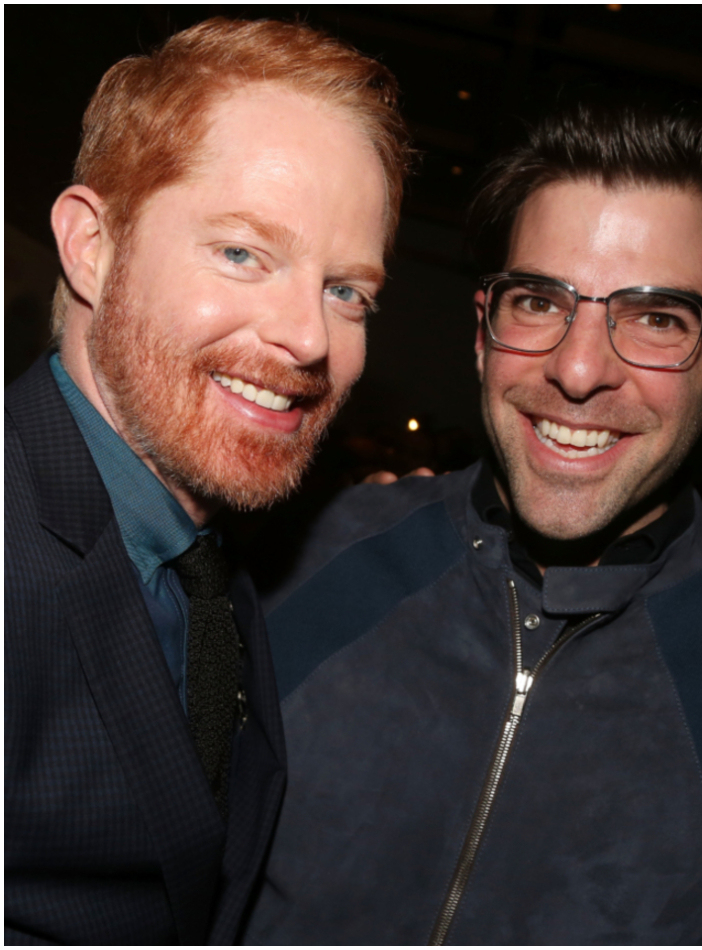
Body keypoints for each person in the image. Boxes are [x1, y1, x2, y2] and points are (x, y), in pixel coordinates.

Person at [242, 100, 702, 945]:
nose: (578, 369)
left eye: (656, 319)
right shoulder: (296, 559)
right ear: (483, 332)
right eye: (539, 301)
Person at [5, 17, 411, 946]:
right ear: (92, 247)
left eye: (347, 290)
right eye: (243, 253)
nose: (310, 339)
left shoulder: (208, 559)